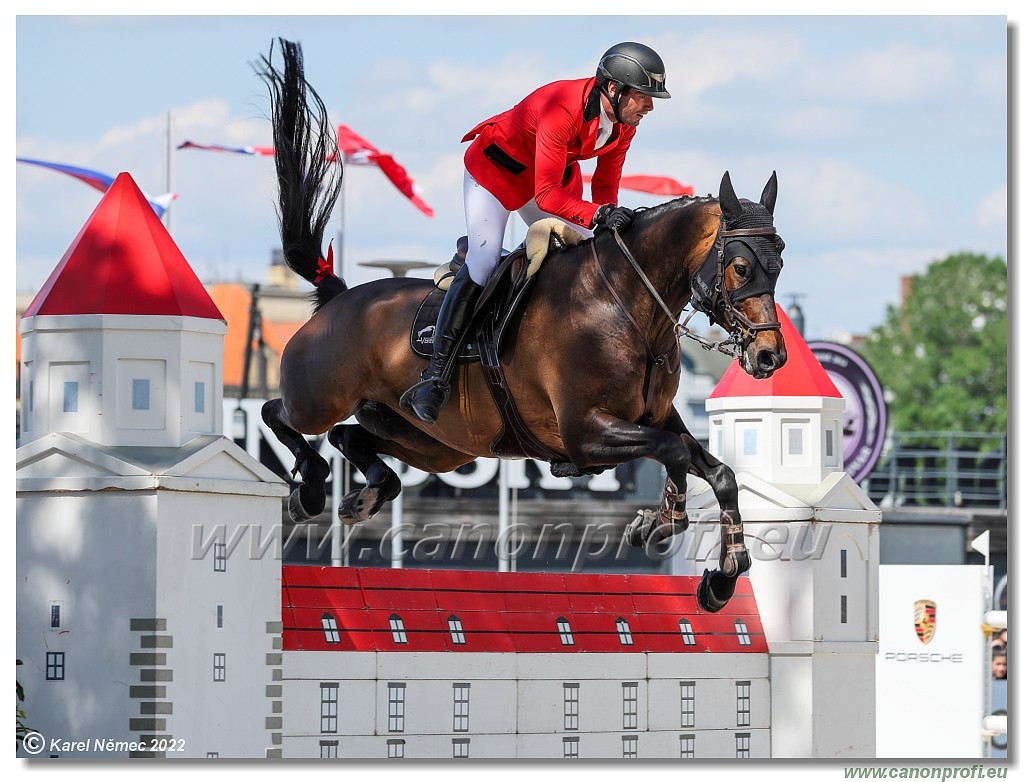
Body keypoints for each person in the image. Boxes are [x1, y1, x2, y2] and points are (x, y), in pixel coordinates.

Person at [401, 42, 671, 424]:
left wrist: (607, 222)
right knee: (484, 261)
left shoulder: (624, 125)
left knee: (590, 253)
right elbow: (546, 194)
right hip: (496, 176)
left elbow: (606, 184)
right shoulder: (562, 108)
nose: (650, 107)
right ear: (614, 89)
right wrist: (598, 214)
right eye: (644, 97)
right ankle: (435, 377)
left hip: (546, 179)